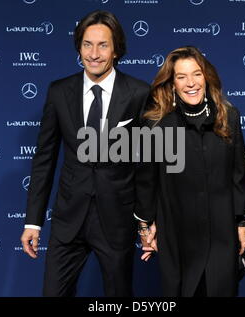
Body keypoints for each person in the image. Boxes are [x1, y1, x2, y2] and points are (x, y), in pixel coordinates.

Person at [20, 10, 150, 297]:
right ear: (78, 48)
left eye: (103, 45)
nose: (94, 54)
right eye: (87, 44)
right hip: (68, 220)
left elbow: (149, 164)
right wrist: (33, 221)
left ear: (116, 49)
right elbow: (44, 159)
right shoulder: (59, 91)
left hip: (116, 219)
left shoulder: (139, 93)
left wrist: (147, 222)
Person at [135, 46, 245, 297]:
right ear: (172, 84)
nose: (191, 83)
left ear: (206, 77)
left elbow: (239, 175)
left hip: (221, 233)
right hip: (177, 234)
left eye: (197, 74)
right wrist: (146, 229)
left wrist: (241, 224)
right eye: (181, 77)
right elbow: (147, 181)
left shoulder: (228, 116)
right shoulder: (156, 124)